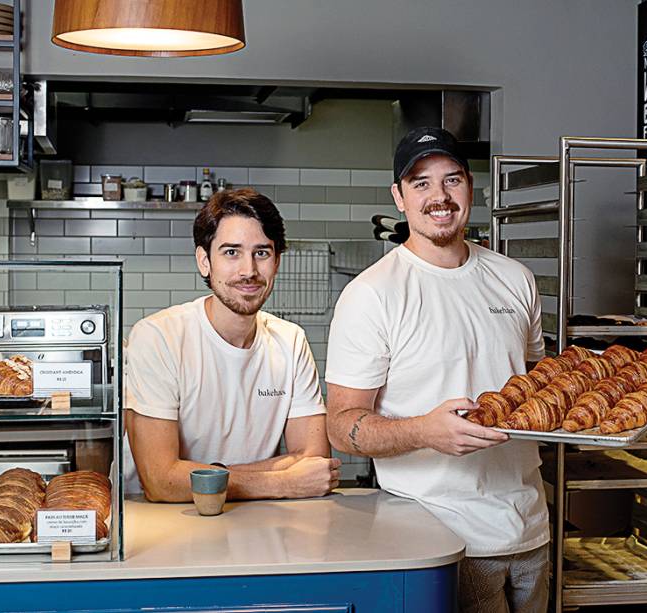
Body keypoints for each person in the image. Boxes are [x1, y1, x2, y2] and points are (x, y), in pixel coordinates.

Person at [325, 127, 548, 612]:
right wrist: (426, 431)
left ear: (471, 188)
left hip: (531, 525)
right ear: (399, 198)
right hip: (438, 536)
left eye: (452, 180)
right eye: (421, 183)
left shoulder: (516, 280)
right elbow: (341, 426)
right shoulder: (373, 294)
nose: (439, 197)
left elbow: (537, 390)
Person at [124, 188, 340, 502]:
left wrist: (199, 475)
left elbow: (314, 462)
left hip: (255, 523)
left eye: (262, 253)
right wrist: (282, 482)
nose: (249, 271)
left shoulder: (291, 341)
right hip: (164, 525)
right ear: (204, 261)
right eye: (231, 252)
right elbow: (160, 482)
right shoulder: (158, 338)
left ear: (277, 261)